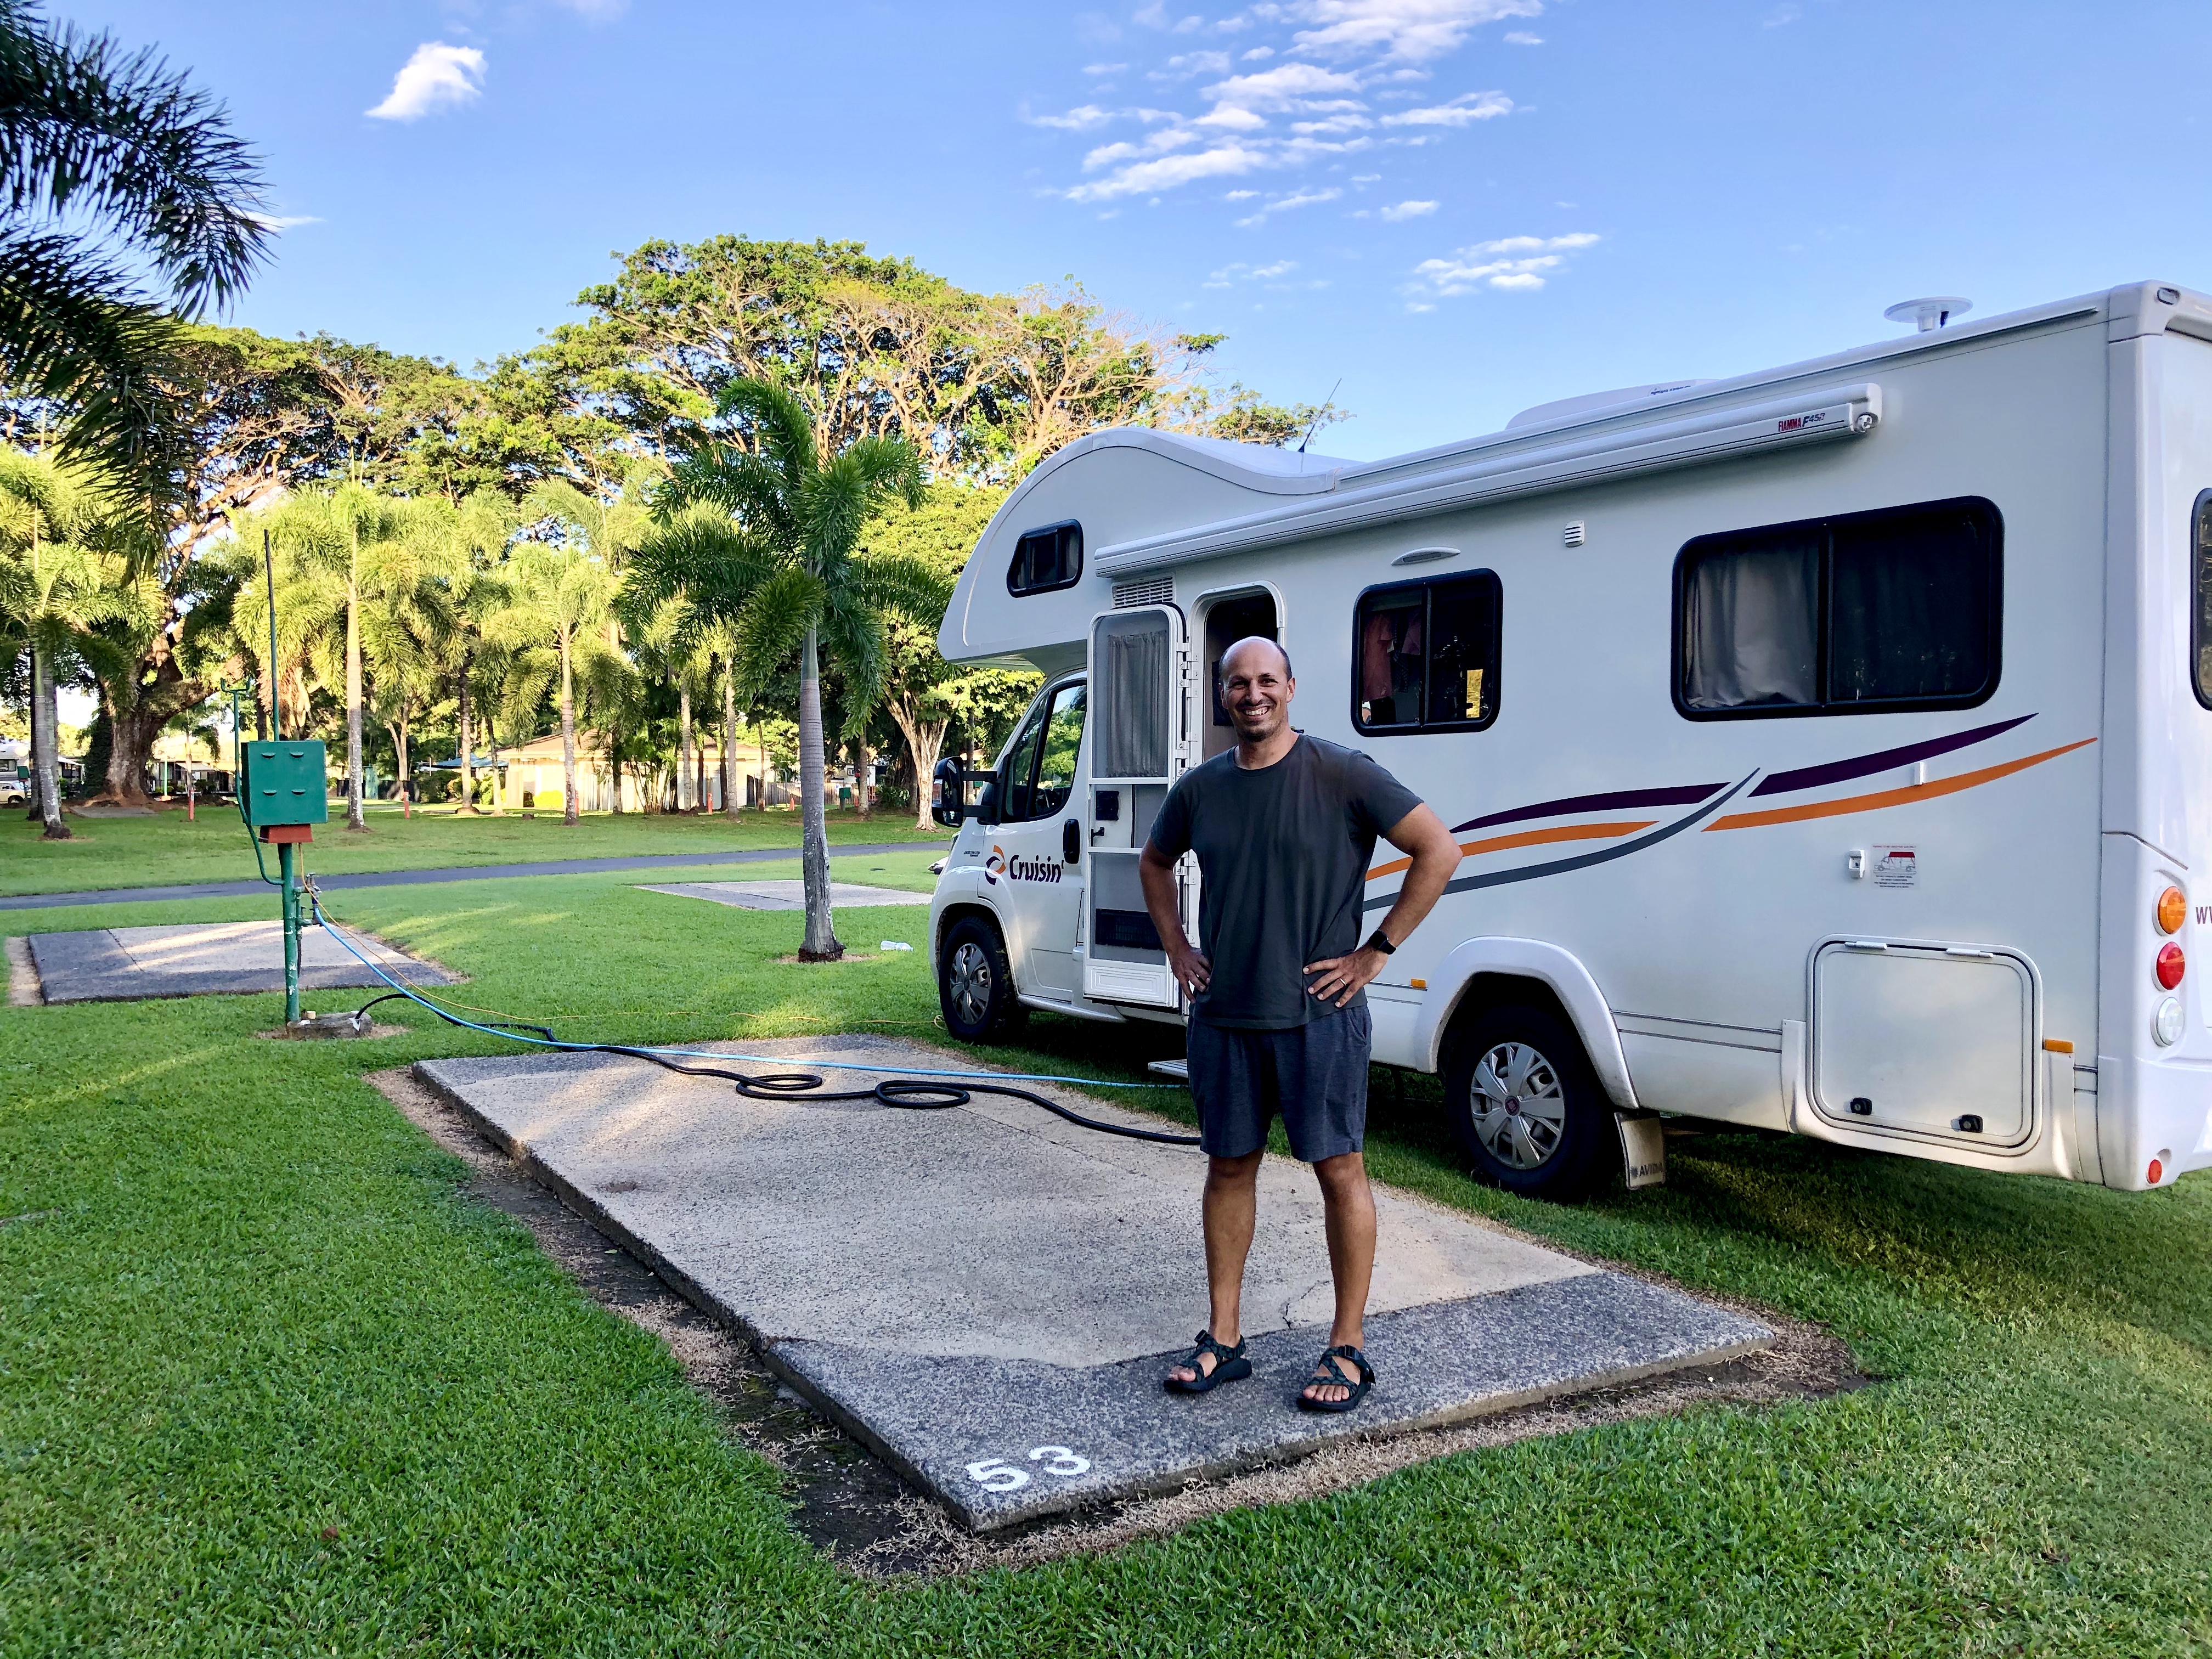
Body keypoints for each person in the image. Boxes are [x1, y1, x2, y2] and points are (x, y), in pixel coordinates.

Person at [1138, 636, 1462, 1411]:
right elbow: (1154, 862)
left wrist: (1375, 951)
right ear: (1222, 695)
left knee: (1340, 1171)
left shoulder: (1340, 772)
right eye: (1237, 684)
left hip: (1321, 1017)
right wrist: (1180, 947)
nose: (1252, 694)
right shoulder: (1201, 789)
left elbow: (1438, 850)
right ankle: (1223, 1340)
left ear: (1291, 687)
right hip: (1227, 1019)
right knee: (1228, 1168)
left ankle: (1346, 1348)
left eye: (1265, 681)